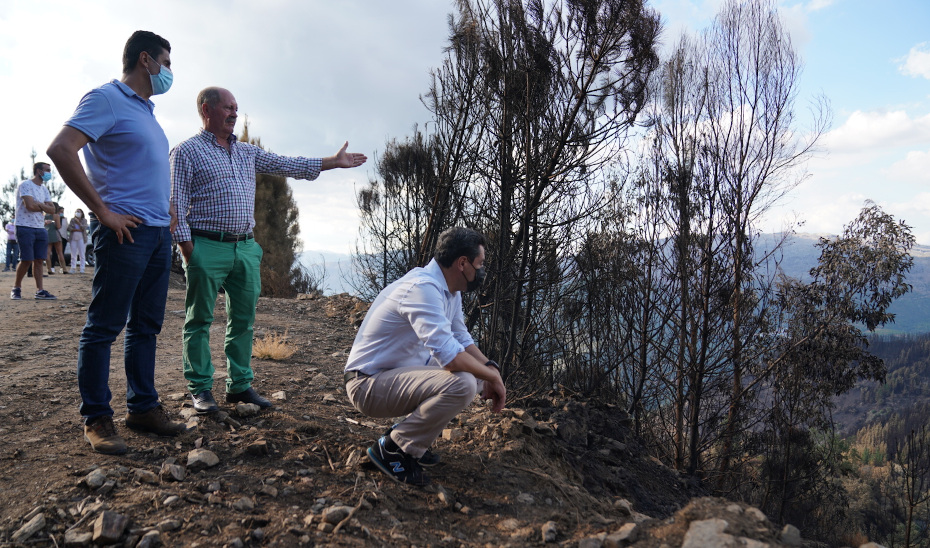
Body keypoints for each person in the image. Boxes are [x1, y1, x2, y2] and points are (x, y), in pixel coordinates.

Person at [170, 86, 367, 414]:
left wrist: (331, 162)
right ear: (207, 110)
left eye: (236, 108)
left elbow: (286, 164)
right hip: (205, 245)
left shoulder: (247, 152)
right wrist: (189, 249)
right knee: (199, 319)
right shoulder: (186, 151)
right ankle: (201, 389)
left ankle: (239, 386)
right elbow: (174, 202)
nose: (234, 113)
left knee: (243, 320)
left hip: (244, 247)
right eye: (228, 108)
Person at [47, 30, 186, 455]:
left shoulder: (147, 111)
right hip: (123, 233)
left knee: (146, 327)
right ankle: (97, 418)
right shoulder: (105, 98)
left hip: (156, 235)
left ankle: (142, 407)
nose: (169, 70)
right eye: (166, 60)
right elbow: (62, 149)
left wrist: (168, 214)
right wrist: (102, 211)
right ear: (146, 60)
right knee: (104, 327)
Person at [343, 227, 507, 486]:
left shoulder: (449, 291)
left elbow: (461, 338)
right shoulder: (423, 288)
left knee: (473, 376)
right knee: (463, 381)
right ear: (462, 263)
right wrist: (491, 376)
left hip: (391, 378)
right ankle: (394, 448)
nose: (481, 272)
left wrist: (488, 368)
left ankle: (413, 441)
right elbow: (451, 358)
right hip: (367, 384)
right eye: (480, 264)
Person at [10, 162, 57, 300]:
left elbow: (53, 210)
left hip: (40, 227)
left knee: (39, 260)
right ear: (38, 171)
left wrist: (40, 205)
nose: (49, 173)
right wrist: (44, 207)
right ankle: (16, 288)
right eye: (47, 170)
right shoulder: (25, 184)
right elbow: (29, 206)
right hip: (24, 226)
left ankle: (40, 291)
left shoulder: (44, 189)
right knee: (26, 259)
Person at [45, 203, 68, 274]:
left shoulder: (44, 216)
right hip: (56, 235)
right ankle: (64, 269)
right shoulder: (56, 216)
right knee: (60, 253)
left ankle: (49, 269)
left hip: (47, 234)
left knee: (47, 253)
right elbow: (58, 227)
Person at [68, 208, 89, 273]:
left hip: (81, 238)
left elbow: (84, 228)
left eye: (79, 212)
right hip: (73, 238)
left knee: (82, 253)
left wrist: (79, 223)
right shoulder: (72, 220)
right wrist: (76, 229)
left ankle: (82, 268)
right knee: (73, 254)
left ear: (82, 213)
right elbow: (69, 228)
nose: (77, 213)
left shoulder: (84, 220)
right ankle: (73, 268)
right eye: (76, 212)